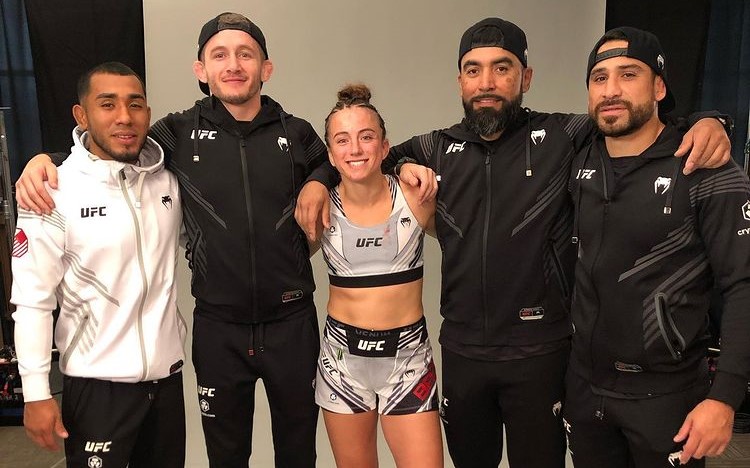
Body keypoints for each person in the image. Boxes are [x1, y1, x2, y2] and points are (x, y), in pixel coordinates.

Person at [295, 17, 732, 468]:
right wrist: (317, 179)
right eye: (473, 69)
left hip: (541, 353)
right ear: (460, 81)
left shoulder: (564, 135)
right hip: (463, 352)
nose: (486, 82)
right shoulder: (436, 147)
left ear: (526, 77)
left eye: (501, 68)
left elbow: (629, 117)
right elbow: (363, 157)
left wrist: (709, 121)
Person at [14, 13, 329, 467]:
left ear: (266, 67)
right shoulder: (175, 134)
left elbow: (333, 163)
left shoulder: (295, 132)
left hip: (291, 322)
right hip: (218, 329)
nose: (233, 64)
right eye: (219, 55)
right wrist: (45, 159)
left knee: (299, 454)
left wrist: (318, 181)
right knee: (226, 457)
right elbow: (113, 147)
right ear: (201, 69)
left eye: (245, 54)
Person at [564, 27, 750, 468]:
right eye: (599, 78)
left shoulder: (707, 168)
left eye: (629, 74)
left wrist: (725, 397)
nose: (611, 90)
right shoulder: (575, 154)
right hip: (585, 388)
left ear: (659, 87)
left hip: (668, 397)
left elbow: (744, 284)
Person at [11, 62, 185, 468]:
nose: (124, 116)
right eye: (108, 104)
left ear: (148, 113)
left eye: (135, 104)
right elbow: (33, 301)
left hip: (166, 384)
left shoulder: (168, 182)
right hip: (96, 389)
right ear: (82, 115)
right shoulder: (51, 191)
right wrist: (35, 392)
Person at [315, 84, 442, 467]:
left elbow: (470, 241)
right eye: (342, 140)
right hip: (342, 363)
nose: (355, 149)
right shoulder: (320, 207)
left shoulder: (415, 195)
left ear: (385, 147)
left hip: (407, 359)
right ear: (330, 155)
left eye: (366, 137)